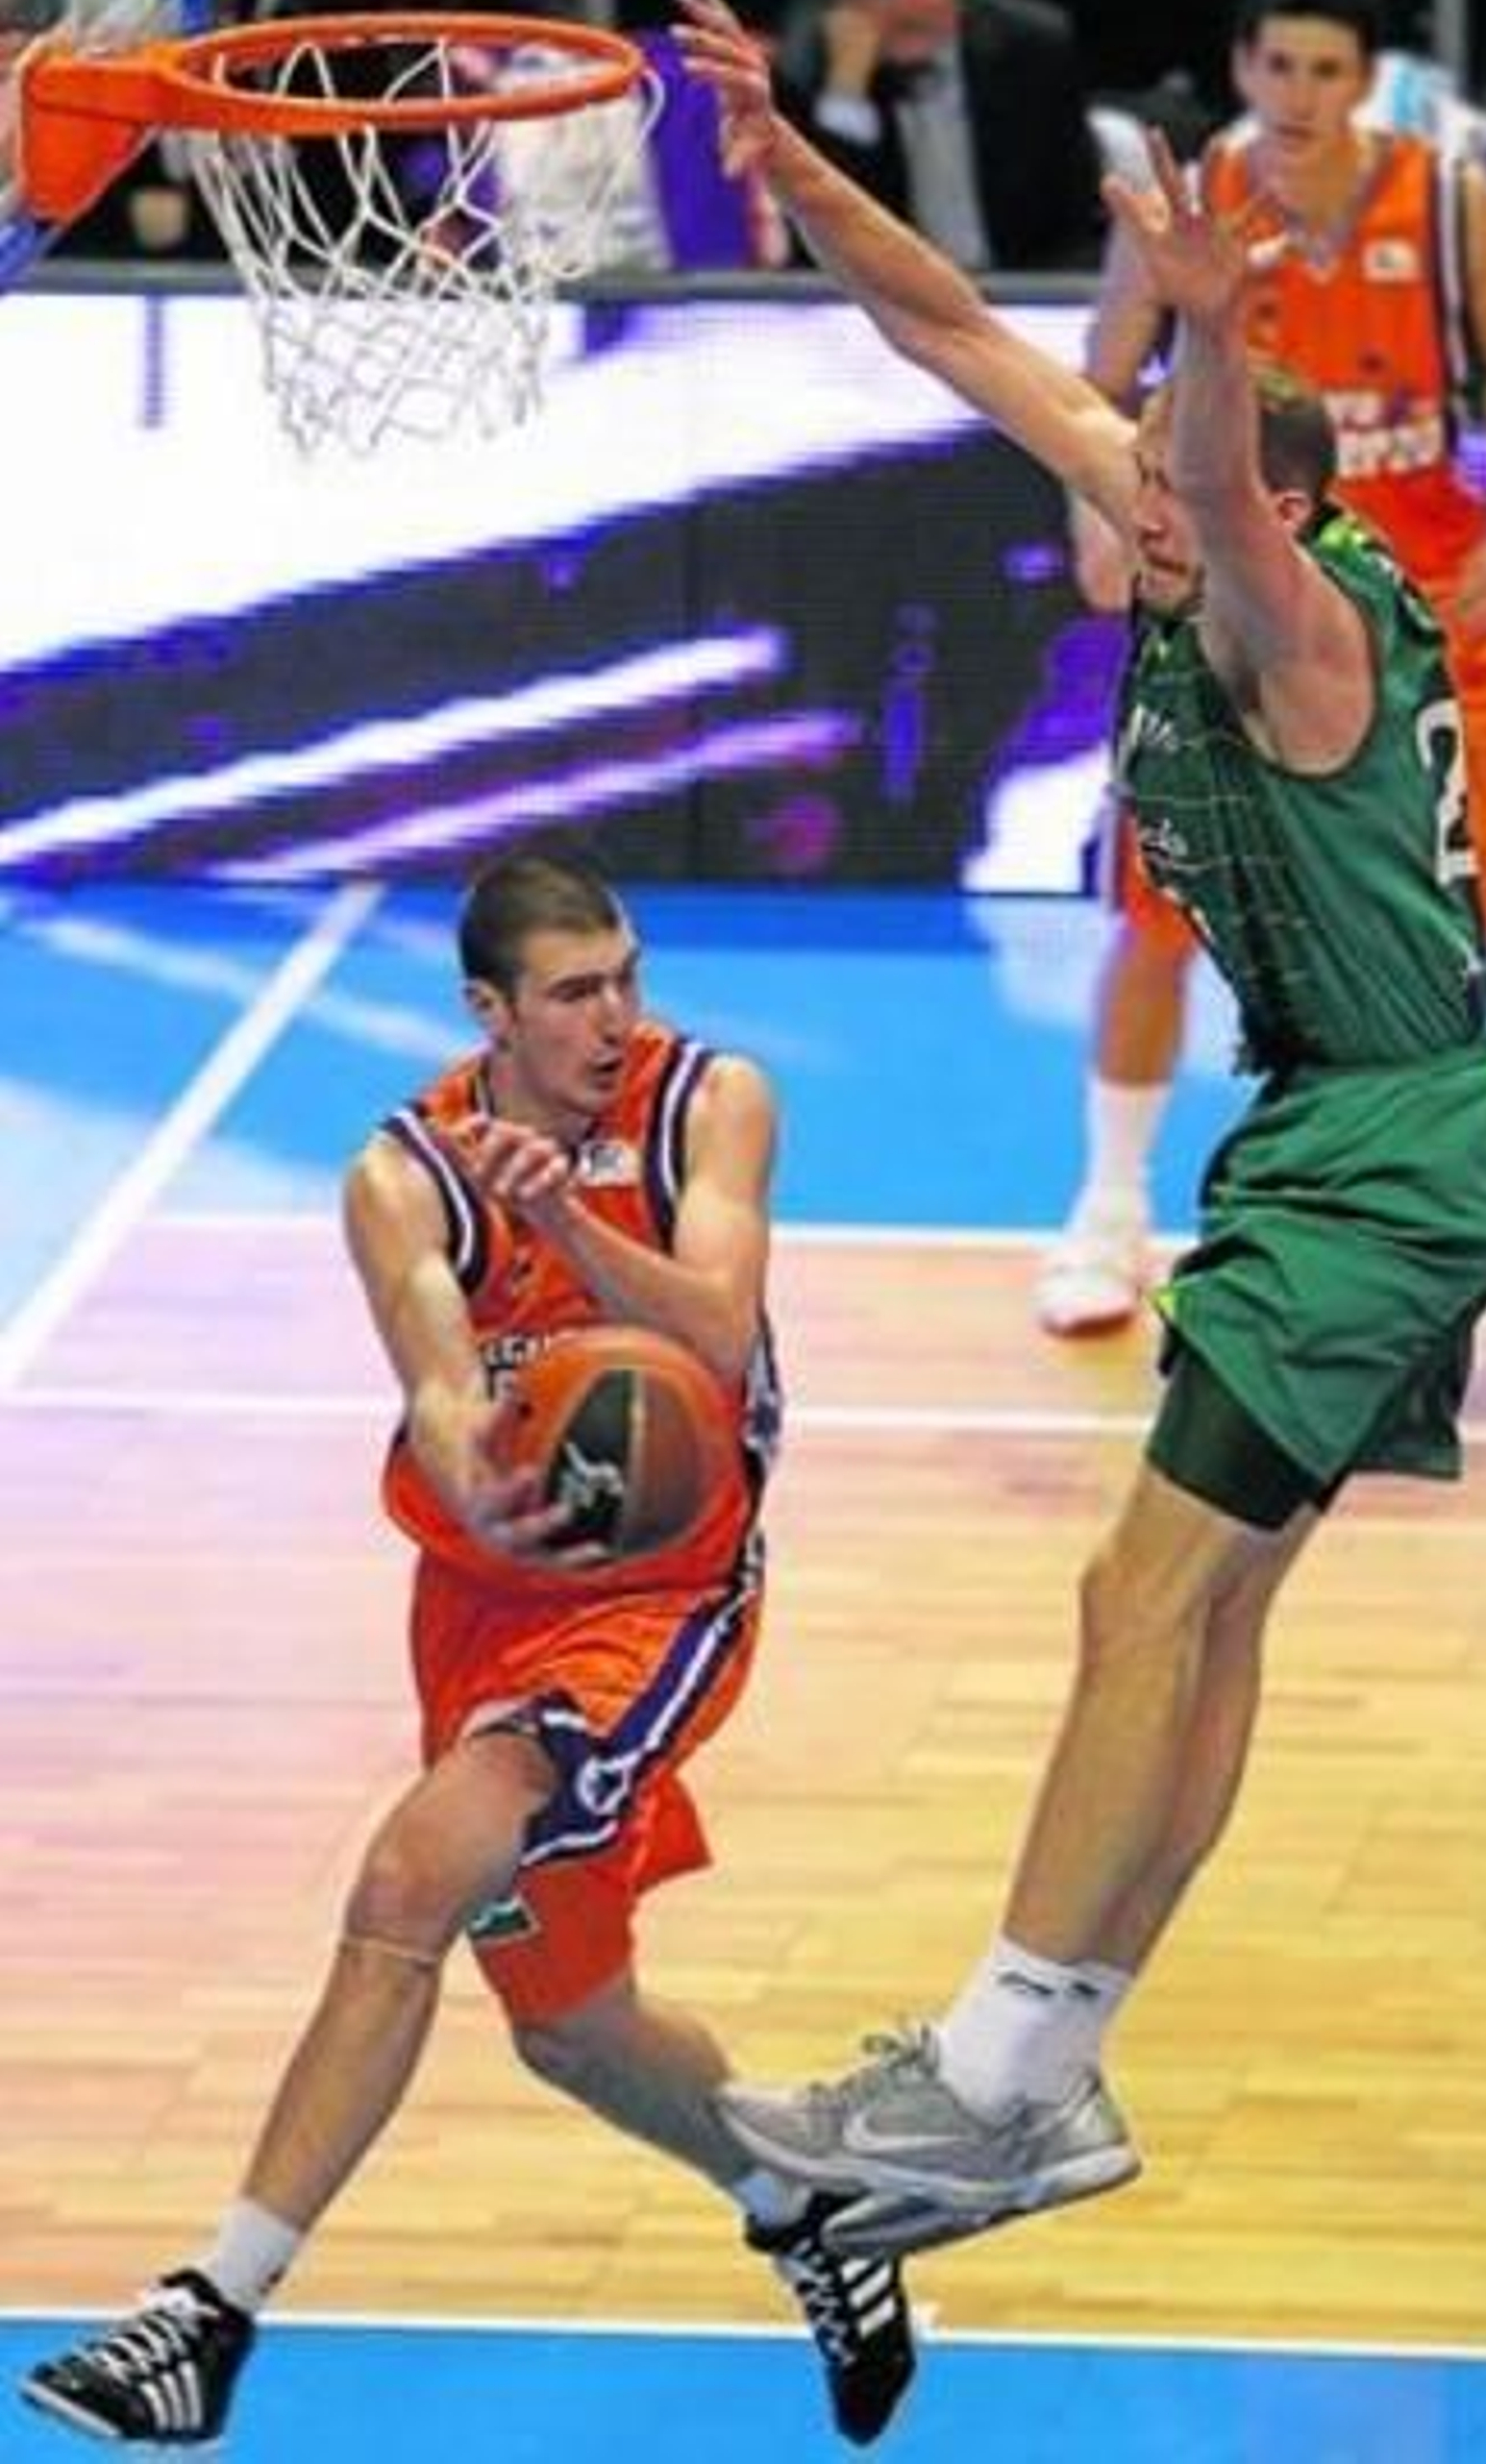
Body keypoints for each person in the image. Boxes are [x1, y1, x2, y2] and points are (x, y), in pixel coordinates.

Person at [673, 0, 1486, 2256]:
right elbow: (953, 329)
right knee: (1206, 1609)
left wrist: (1215, 335)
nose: (1110, 487)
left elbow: (1223, 491)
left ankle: (988, 2071)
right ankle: (1043, 2072)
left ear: (1230, 505)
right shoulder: (1179, 535)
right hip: (1357, 1143)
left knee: (1130, 1590)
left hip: (1390, 1153)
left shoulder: (1297, 622)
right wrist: (784, 154)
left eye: (1150, 473)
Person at [21, 850, 916, 2446]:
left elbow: (714, 1330)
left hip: (667, 1588)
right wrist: (478, 1484)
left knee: (405, 1877)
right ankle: (811, 2204)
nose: (615, 1015)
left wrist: (567, 1223)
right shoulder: (404, 1168)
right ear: (488, 1009)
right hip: (490, 1589)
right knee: (573, 2023)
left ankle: (206, 2312)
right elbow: (439, 1391)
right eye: (575, 992)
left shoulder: (711, 1100)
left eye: (627, 975)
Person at [1037, 0, 1486, 1335]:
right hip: (1232, 610)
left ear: (1362, 80)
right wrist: (1099, 505)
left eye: (1327, 71)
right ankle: (1111, 1208)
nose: (1300, 95)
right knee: (1157, 910)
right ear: (1244, 68)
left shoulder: (1447, 201)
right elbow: (1107, 363)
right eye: (1279, 66)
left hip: (1423, 603)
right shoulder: (1197, 206)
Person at [775, 0, 1103, 271]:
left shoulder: (1032, 47)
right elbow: (822, 241)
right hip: (901, 303)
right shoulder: (809, 68)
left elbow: (1077, 219)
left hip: (1026, 286)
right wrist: (847, 90)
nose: (905, 8)